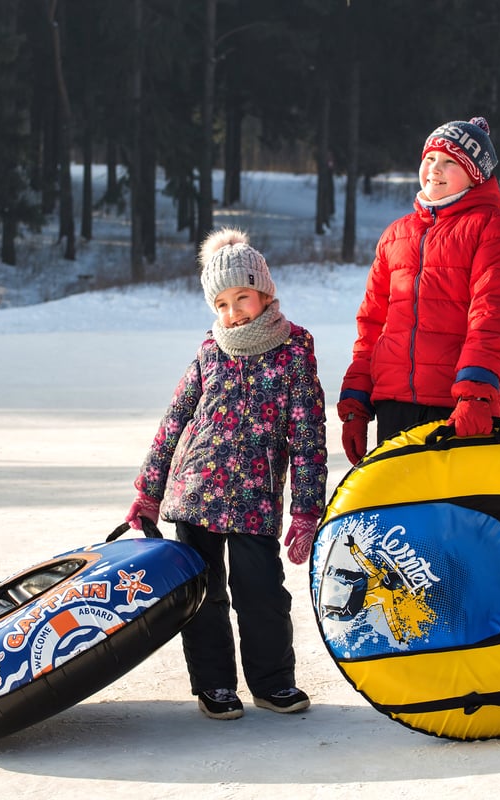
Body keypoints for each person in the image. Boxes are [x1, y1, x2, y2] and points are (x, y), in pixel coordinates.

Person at [125, 227, 328, 720]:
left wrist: (305, 510)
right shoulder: (210, 351)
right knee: (204, 595)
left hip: (255, 498)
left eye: (242, 297)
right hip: (194, 493)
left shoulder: (294, 350)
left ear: (265, 293)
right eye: (221, 303)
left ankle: (273, 681)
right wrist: (149, 491)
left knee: (261, 592)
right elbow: (174, 421)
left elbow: (307, 436)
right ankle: (215, 684)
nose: (233, 312)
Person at [338, 116, 500, 464]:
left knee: (450, 514)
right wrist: (356, 403)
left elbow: (494, 317)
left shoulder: (493, 228)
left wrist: (476, 395)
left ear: (475, 174)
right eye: (430, 158)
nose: (434, 170)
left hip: (455, 407)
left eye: (450, 162)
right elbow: (372, 326)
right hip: (393, 405)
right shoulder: (397, 234)